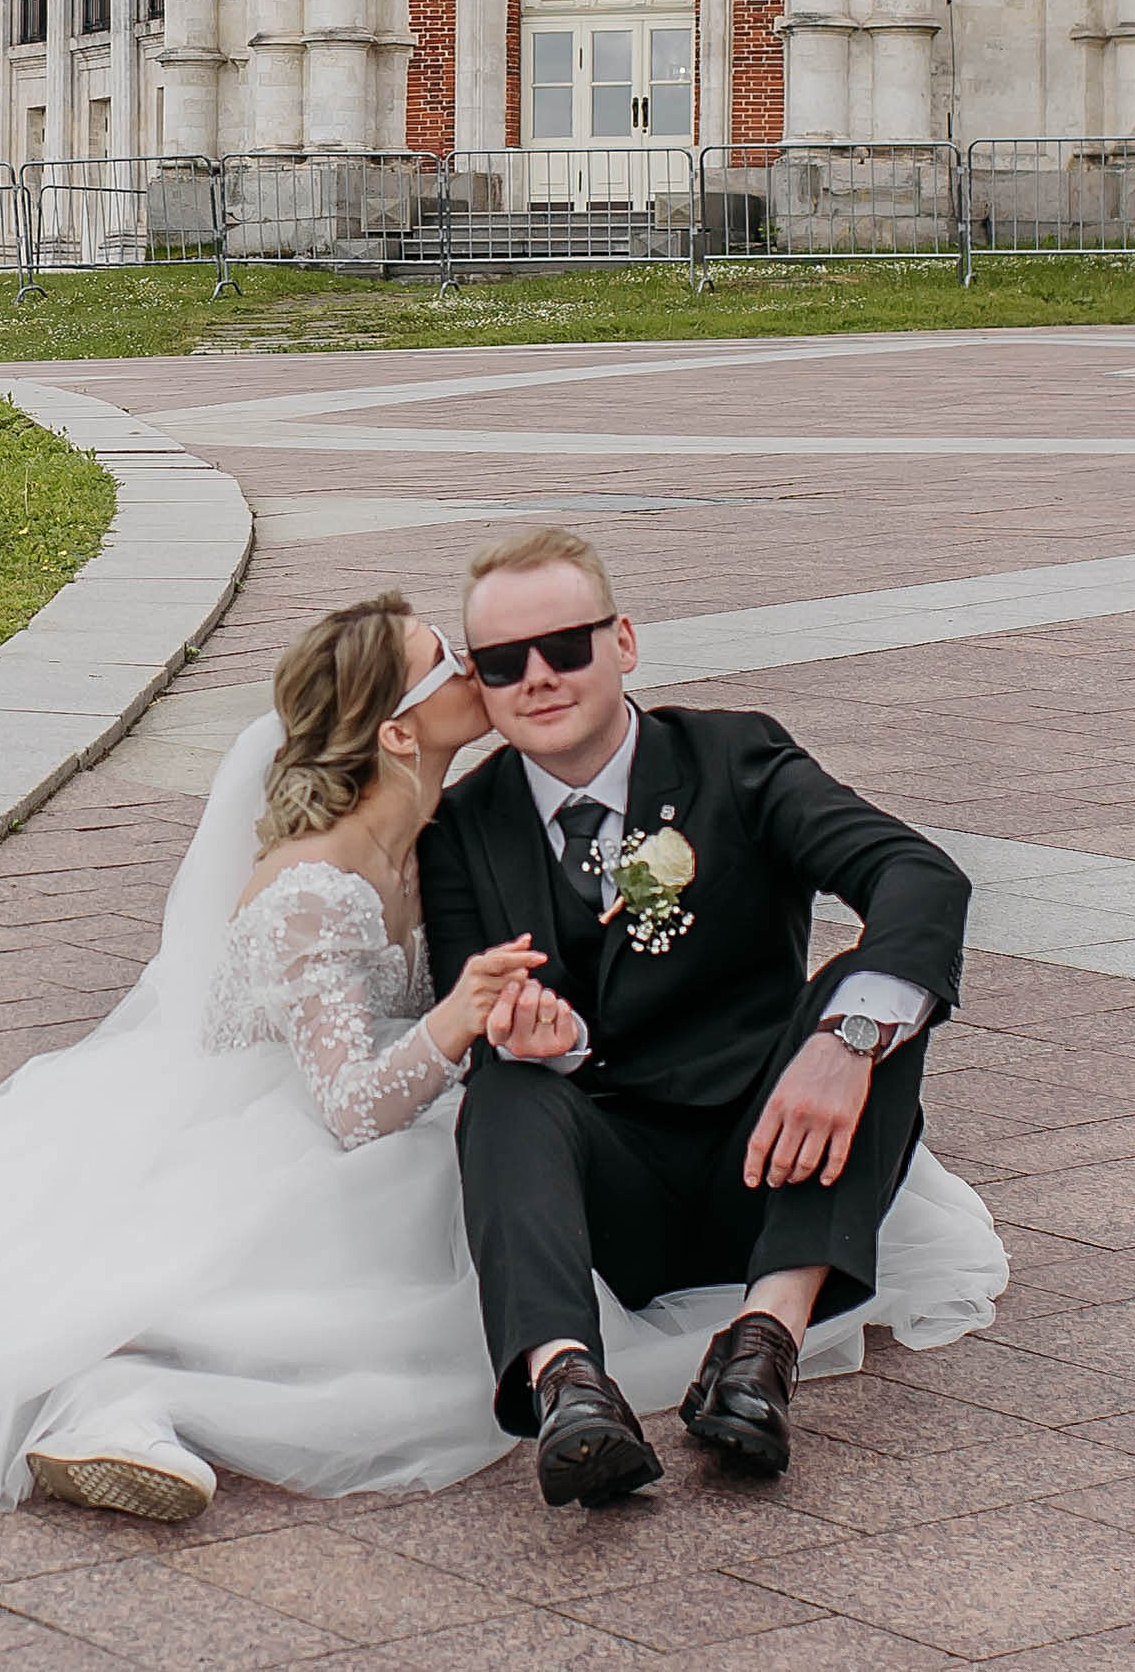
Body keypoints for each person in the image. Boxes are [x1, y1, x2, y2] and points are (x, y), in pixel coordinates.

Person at [0, 585, 1002, 1523]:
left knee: (478, 1202)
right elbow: (358, 1096)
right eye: (460, 665)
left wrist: (549, 1001)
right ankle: (121, 1398)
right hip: (298, 1139)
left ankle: (139, 1386)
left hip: (353, 1113)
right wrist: (465, 1016)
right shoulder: (310, 891)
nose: (493, 683)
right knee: (302, 1312)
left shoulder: (437, 830)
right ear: (392, 721)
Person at [421, 525, 984, 1512]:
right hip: (615, 1196)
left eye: (565, 645)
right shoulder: (462, 828)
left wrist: (841, 1042)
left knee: (876, 995)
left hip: (772, 1158)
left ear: (623, 641)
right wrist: (532, 1036)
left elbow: (915, 876)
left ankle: (761, 1347)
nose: (538, 677)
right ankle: (568, 1387)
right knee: (500, 1089)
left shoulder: (736, 756)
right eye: (503, 662)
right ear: (480, 678)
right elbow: (474, 1003)